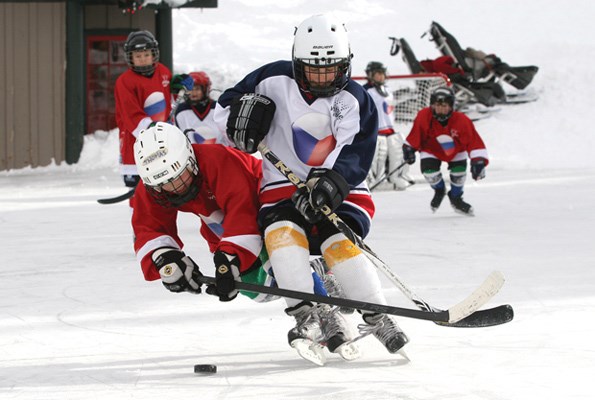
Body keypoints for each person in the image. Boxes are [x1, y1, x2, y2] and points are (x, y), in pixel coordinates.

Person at [214, 14, 409, 361]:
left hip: (341, 189)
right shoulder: (271, 78)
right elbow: (225, 105)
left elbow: (354, 155)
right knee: (282, 237)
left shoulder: (354, 99)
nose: (322, 78)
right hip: (280, 187)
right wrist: (236, 123)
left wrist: (329, 184)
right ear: (296, 61)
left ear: (346, 63)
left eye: (330, 69)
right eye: (313, 69)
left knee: (338, 242)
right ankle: (306, 316)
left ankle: (378, 315)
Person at [131, 122, 355, 366]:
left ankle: (324, 315)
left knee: (279, 267)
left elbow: (243, 213)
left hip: (266, 208)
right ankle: (319, 271)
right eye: (164, 184)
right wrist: (168, 262)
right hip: (222, 228)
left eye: (178, 177)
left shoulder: (221, 161)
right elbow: (149, 227)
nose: (174, 188)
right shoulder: (157, 182)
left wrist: (229, 259)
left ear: (190, 158)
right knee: (258, 290)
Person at [114, 30, 193, 192]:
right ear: (130, 57)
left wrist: (178, 85)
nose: (142, 59)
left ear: (153, 54)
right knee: (138, 194)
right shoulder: (124, 82)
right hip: (136, 143)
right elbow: (130, 115)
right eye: (138, 56)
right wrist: (152, 129)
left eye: (146, 54)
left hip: (162, 139)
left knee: (165, 187)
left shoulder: (162, 71)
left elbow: (168, 97)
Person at [402, 86, 488, 215]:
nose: (441, 109)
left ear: (451, 106)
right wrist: (409, 149)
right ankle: (440, 190)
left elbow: (473, 141)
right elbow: (416, 134)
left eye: (445, 105)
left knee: (459, 175)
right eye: (437, 105)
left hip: (456, 151)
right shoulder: (424, 115)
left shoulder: (462, 120)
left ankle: (456, 198)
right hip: (431, 149)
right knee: (430, 173)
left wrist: (478, 161)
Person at [363, 61, 412, 190]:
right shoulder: (366, 91)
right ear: (370, 75)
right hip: (375, 131)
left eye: (382, 74)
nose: (380, 76)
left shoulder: (388, 91)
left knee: (398, 148)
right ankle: (373, 179)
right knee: (378, 154)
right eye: (377, 74)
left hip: (389, 130)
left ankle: (397, 177)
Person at [172, 71, 225, 145]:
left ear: (205, 90)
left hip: (218, 154)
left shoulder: (218, 108)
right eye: (190, 89)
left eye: (197, 89)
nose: (193, 93)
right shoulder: (180, 110)